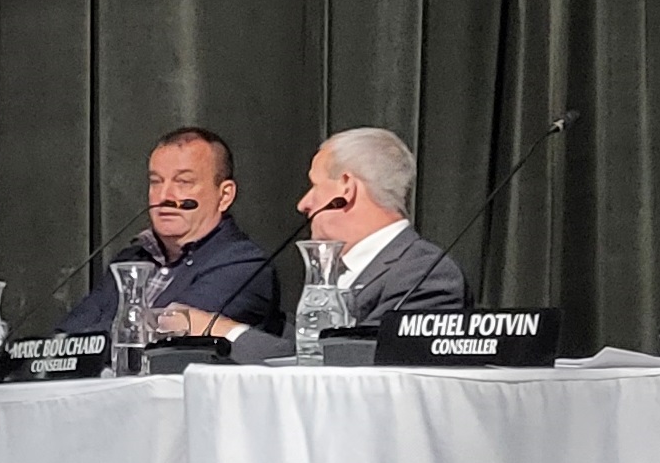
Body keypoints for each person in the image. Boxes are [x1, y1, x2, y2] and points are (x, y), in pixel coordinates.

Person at [162, 127, 467, 360]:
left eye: (314, 186)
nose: (303, 204)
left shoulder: (425, 274)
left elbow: (350, 365)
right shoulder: (337, 272)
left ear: (345, 189)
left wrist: (226, 332)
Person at [56, 125, 281, 338]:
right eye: (156, 182)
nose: (164, 196)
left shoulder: (245, 265)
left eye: (183, 182)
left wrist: (93, 341)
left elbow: (169, 333)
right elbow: (65, 339)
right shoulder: (130, 260)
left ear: (224, 196)